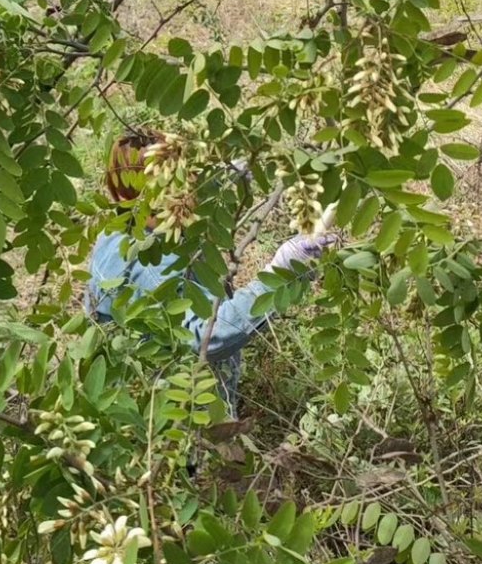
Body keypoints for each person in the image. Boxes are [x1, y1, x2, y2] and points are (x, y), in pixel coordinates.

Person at [85, 131, 334, 414]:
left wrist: (226, 178)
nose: (195, 182)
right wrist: (282, 273)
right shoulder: (147, 260)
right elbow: (209, 337)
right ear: (161, 191)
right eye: (187, 176)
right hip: (177, 420)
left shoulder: (128, 226)